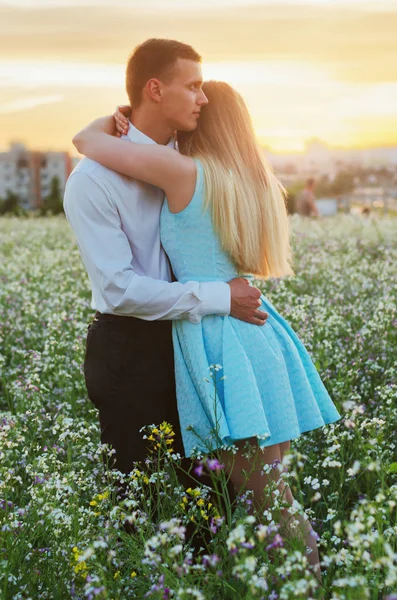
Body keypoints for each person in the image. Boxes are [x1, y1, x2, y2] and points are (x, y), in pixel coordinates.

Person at [72, 72, 342, 584]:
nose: (192, 103)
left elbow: (86, 144)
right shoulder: (252, 180)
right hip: (256, 334)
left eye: (200, 100)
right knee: (263, 495)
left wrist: (111, 119)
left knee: (270, 500)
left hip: (222, 337)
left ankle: (318, 585)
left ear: (206, 121)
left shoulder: (184, 172)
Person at [63, 39, 265, 547]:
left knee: (216, 497)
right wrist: (222, 297)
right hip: (132, 347)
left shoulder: (190, 157)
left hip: (194, 341)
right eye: (192, 85)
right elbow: (120, 289)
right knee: (137, 509)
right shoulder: (92, 181)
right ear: (155, 89)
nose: (202, 97)